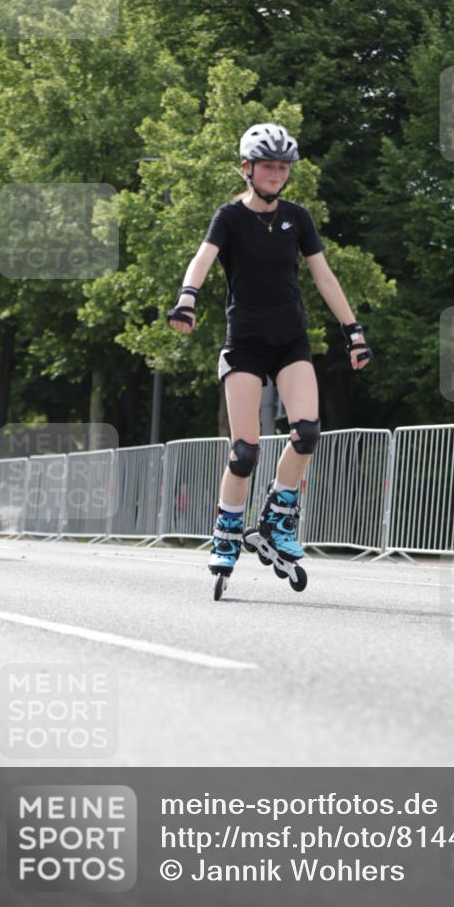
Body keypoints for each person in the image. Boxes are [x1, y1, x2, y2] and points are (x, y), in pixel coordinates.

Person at [167, 123, 372, 577]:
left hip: (290, 342)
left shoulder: (297, 218)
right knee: (244, 452)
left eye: (283, 167)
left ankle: (278, 517)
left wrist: (353, 331)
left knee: (307, 433)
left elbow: (324, 276)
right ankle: (226, 532)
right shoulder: (230, 217)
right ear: (247, 168)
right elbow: (202, 258)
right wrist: (187, 298)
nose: (276, 174)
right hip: (244, 345)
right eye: (268, 166)